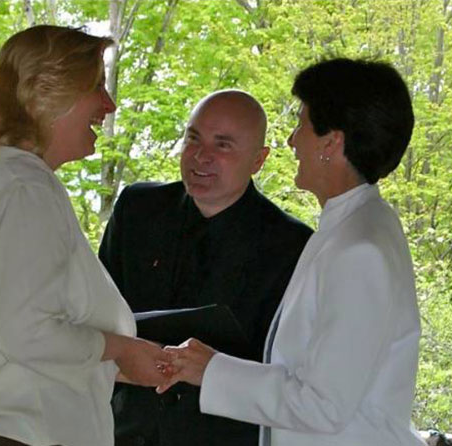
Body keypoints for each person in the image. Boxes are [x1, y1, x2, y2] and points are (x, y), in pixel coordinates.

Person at [161, 58, 427, 446]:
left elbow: (325, 405)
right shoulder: (354, 224)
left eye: (301, 124)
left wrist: (211, 370)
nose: (291, 141)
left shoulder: (360, 249)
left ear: (331, 142)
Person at [0, 25, 170, 446]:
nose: (109, 104)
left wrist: (122, 364)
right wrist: (119, 348)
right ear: (47, 92)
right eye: (96, 86)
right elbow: (27, 332)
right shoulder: (26, 189)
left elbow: (21, 345)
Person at [98, 90, 313, 446]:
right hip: (124, 430)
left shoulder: (292, 245)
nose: (201, 156)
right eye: (193, 138)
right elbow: (97, 317)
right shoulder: (138, 209)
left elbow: (287, 372)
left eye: (223, 145)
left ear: (258, 160)